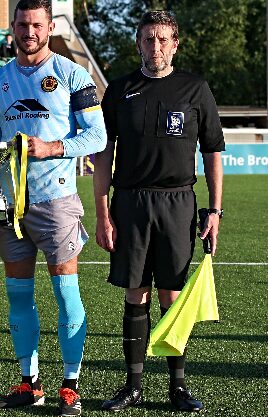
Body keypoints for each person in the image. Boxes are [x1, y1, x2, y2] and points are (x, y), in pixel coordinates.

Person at [0, 1, 106, 415]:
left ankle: (71, 384)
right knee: (18, 296)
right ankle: (29, 383)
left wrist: (53, 147)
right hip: (7, 205)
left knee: (66, 293)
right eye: (21, 24)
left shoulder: (72, 73)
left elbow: (98, 137)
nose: (28, 31)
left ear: (49, 27)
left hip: (57, 202)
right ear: (12, 27)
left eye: (36, 24)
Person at [95, 10, 224, 413]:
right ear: (138, 44)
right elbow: (103, 153)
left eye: (164, 39)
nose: (156, 46)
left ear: (176, 43)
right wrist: (102, 211)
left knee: (172, 294)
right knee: (136, 293)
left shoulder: (195, 88)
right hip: (130, 202)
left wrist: (215, 209)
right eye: (149, 39)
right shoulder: (119, 90)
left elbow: (213, 151)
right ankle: (133, 386)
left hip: (178, 203)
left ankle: (177, 386)